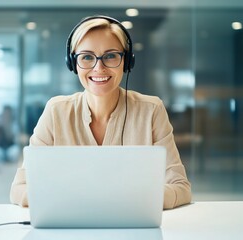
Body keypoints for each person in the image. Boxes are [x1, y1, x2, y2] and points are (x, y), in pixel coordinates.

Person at [10, 15, 192, 209]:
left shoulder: (151, 110)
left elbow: (180, 187)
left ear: (127, 61)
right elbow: (19, 188)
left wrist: (132, 200)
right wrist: (76, 201)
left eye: (111, 56)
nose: (99, 68)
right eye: (87, 57)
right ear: (72, 63)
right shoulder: (56, 112)